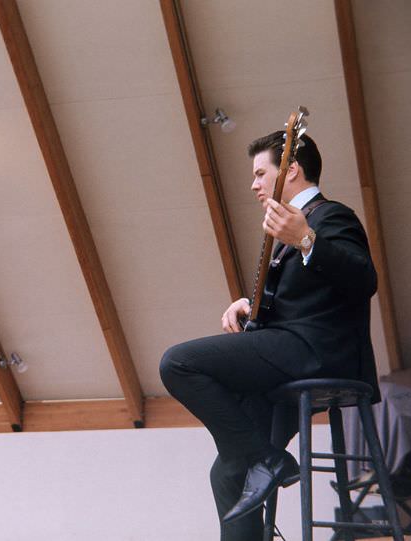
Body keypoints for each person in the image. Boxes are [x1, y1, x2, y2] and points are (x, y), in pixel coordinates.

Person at [159, 130, 379, 540]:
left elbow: (363, 279)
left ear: (291, 171)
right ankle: (262, 459)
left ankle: (268, 459)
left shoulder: (330, 216)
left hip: (315, 352)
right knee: (227, 473)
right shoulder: (287, 228)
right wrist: (247, 307)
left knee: (178, 362)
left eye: (262, 174)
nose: (254, 184)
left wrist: (307, 240)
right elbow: (298, 297)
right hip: (287, 354)